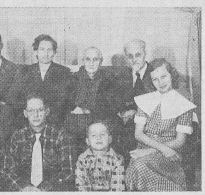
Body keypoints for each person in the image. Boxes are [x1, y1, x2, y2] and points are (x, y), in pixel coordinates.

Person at [125, 58, 196, 191]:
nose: (160, 82)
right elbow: (138, 134)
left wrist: (154, 150)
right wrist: (149, 150)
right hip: (143, 147)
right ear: (151, 82)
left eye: (164, 76)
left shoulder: (183, 103)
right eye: (155, 79)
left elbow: (180, 141)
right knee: (137, 165)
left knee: (138, 166)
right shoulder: (145, 100)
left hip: (170, 152)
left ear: (172, 76)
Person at [2, 94, 75, 191]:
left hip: (51, 190)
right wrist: (24, 187)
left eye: (40, 110)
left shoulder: (60, 135)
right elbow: (7, 170)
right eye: (31, 111)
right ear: (25, 113)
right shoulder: (17, 136)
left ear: (47, 111)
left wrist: (43, 189)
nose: (35, 115)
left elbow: (68, 171)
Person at [8, 34, 72, 127]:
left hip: (54, 122)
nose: (46, 54)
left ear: (54, 52)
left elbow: (65, 103)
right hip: (27, 122)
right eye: (42, 49)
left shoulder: (64, 72)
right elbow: (13, 99)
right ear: (35, 52)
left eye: (49, 50)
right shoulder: (24, 72)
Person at [65, 47, 118, 158]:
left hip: (99, 121)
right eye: (88, 59)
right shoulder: (73, 79)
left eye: (95, 59)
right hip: (77, 123)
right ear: (83, 61)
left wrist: (85, 110)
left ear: (101, 61)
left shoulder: (109, 80)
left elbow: (110, 107)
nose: (91, 63)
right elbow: (67, 103)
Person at [113, 39, 155, 166]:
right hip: (125, 121)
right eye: (130, 56)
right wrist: (121, 111)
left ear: (145, 54)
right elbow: (114, 99)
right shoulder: (120, 75)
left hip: (147, 121)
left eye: (138, 55)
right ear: (126, 57)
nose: (134, 59)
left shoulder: (155, 73)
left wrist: (136, 112)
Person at [75, 120, 125, 191]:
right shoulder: (82, 159)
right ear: (88, 141)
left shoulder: (117, 159)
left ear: (110, 139)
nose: (98, 138)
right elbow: (81, 186)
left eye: (102, 134)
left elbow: (118, 187)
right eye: (93, 135)